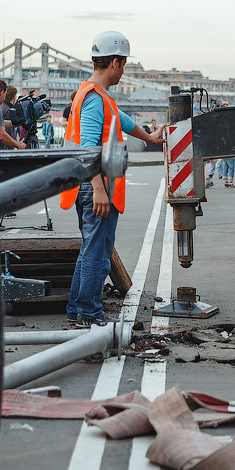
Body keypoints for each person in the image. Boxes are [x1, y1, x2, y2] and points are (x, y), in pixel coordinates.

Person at [61, 31, 165, 327]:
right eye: (124, 65)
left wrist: (150, 138)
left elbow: (123, 120)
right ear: (117, 63)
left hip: (89, 185)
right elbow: (88, 148)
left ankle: (78, 309)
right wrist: (98, 190)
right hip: (95, 186)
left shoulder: (95, 94)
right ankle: (90, 314)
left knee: (90, 248)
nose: (123, 71)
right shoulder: (95, 99)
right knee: (97, 252)